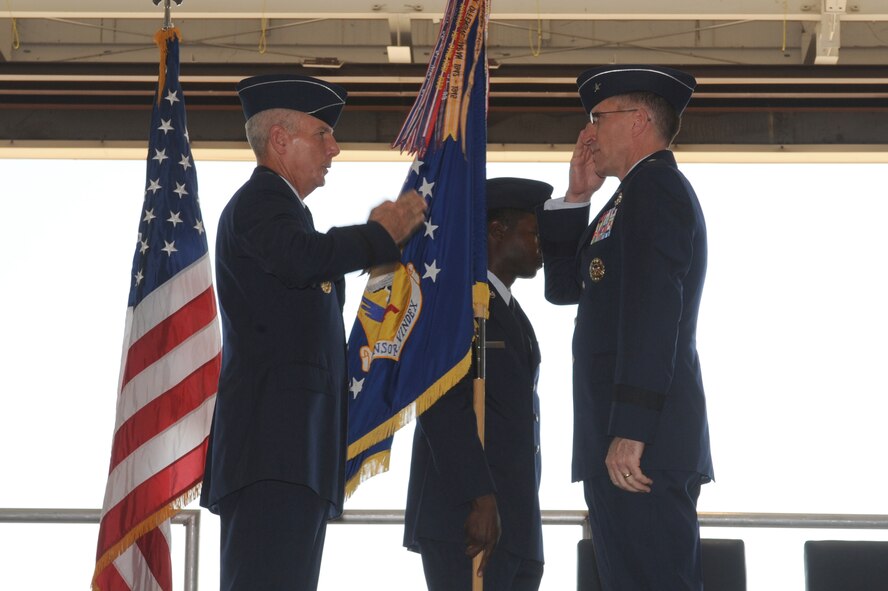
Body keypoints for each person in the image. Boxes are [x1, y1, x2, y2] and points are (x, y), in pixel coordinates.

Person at [200, 73, 427, 591]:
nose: (335, 148)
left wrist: (373, 240)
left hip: (291, 452)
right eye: (322, 134)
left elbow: (306, 264)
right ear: (280, 139)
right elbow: (302, 259)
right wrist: (377, 237)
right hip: (272, 453)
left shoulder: (287, 213)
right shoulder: (261, 201)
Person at [537, 65, 714, 590]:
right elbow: (566, 288)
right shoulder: (624, 199)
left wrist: (632, 430)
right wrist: (575, 199)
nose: (587, 134)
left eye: (597, 117)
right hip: (620, 438)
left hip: (642, 442)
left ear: (638, 121)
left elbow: (655, 311)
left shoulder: (655, 189)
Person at [404, 177, 552, 591]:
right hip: (469, 520)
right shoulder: (459, 302)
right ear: (496, 230)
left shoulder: (508, 310)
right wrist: (479, 496)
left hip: (515, 523)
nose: (543, 245)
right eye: (534, 232)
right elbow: (439, 401)